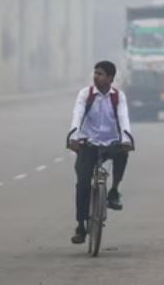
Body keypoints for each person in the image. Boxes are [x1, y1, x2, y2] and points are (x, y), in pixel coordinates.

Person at [67, 61, 134, 244]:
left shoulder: (118, 97)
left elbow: (123, 118)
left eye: (101, 74)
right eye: (95, 73)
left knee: (123, 154)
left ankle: (114, 190)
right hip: (88, 144)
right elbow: (77, 114)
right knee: (82, 184)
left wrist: (126, 139)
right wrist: (73, 136)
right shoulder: (85, 94)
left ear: (111, 78)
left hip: (110, 143)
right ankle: (81, 225)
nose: (96, 77)